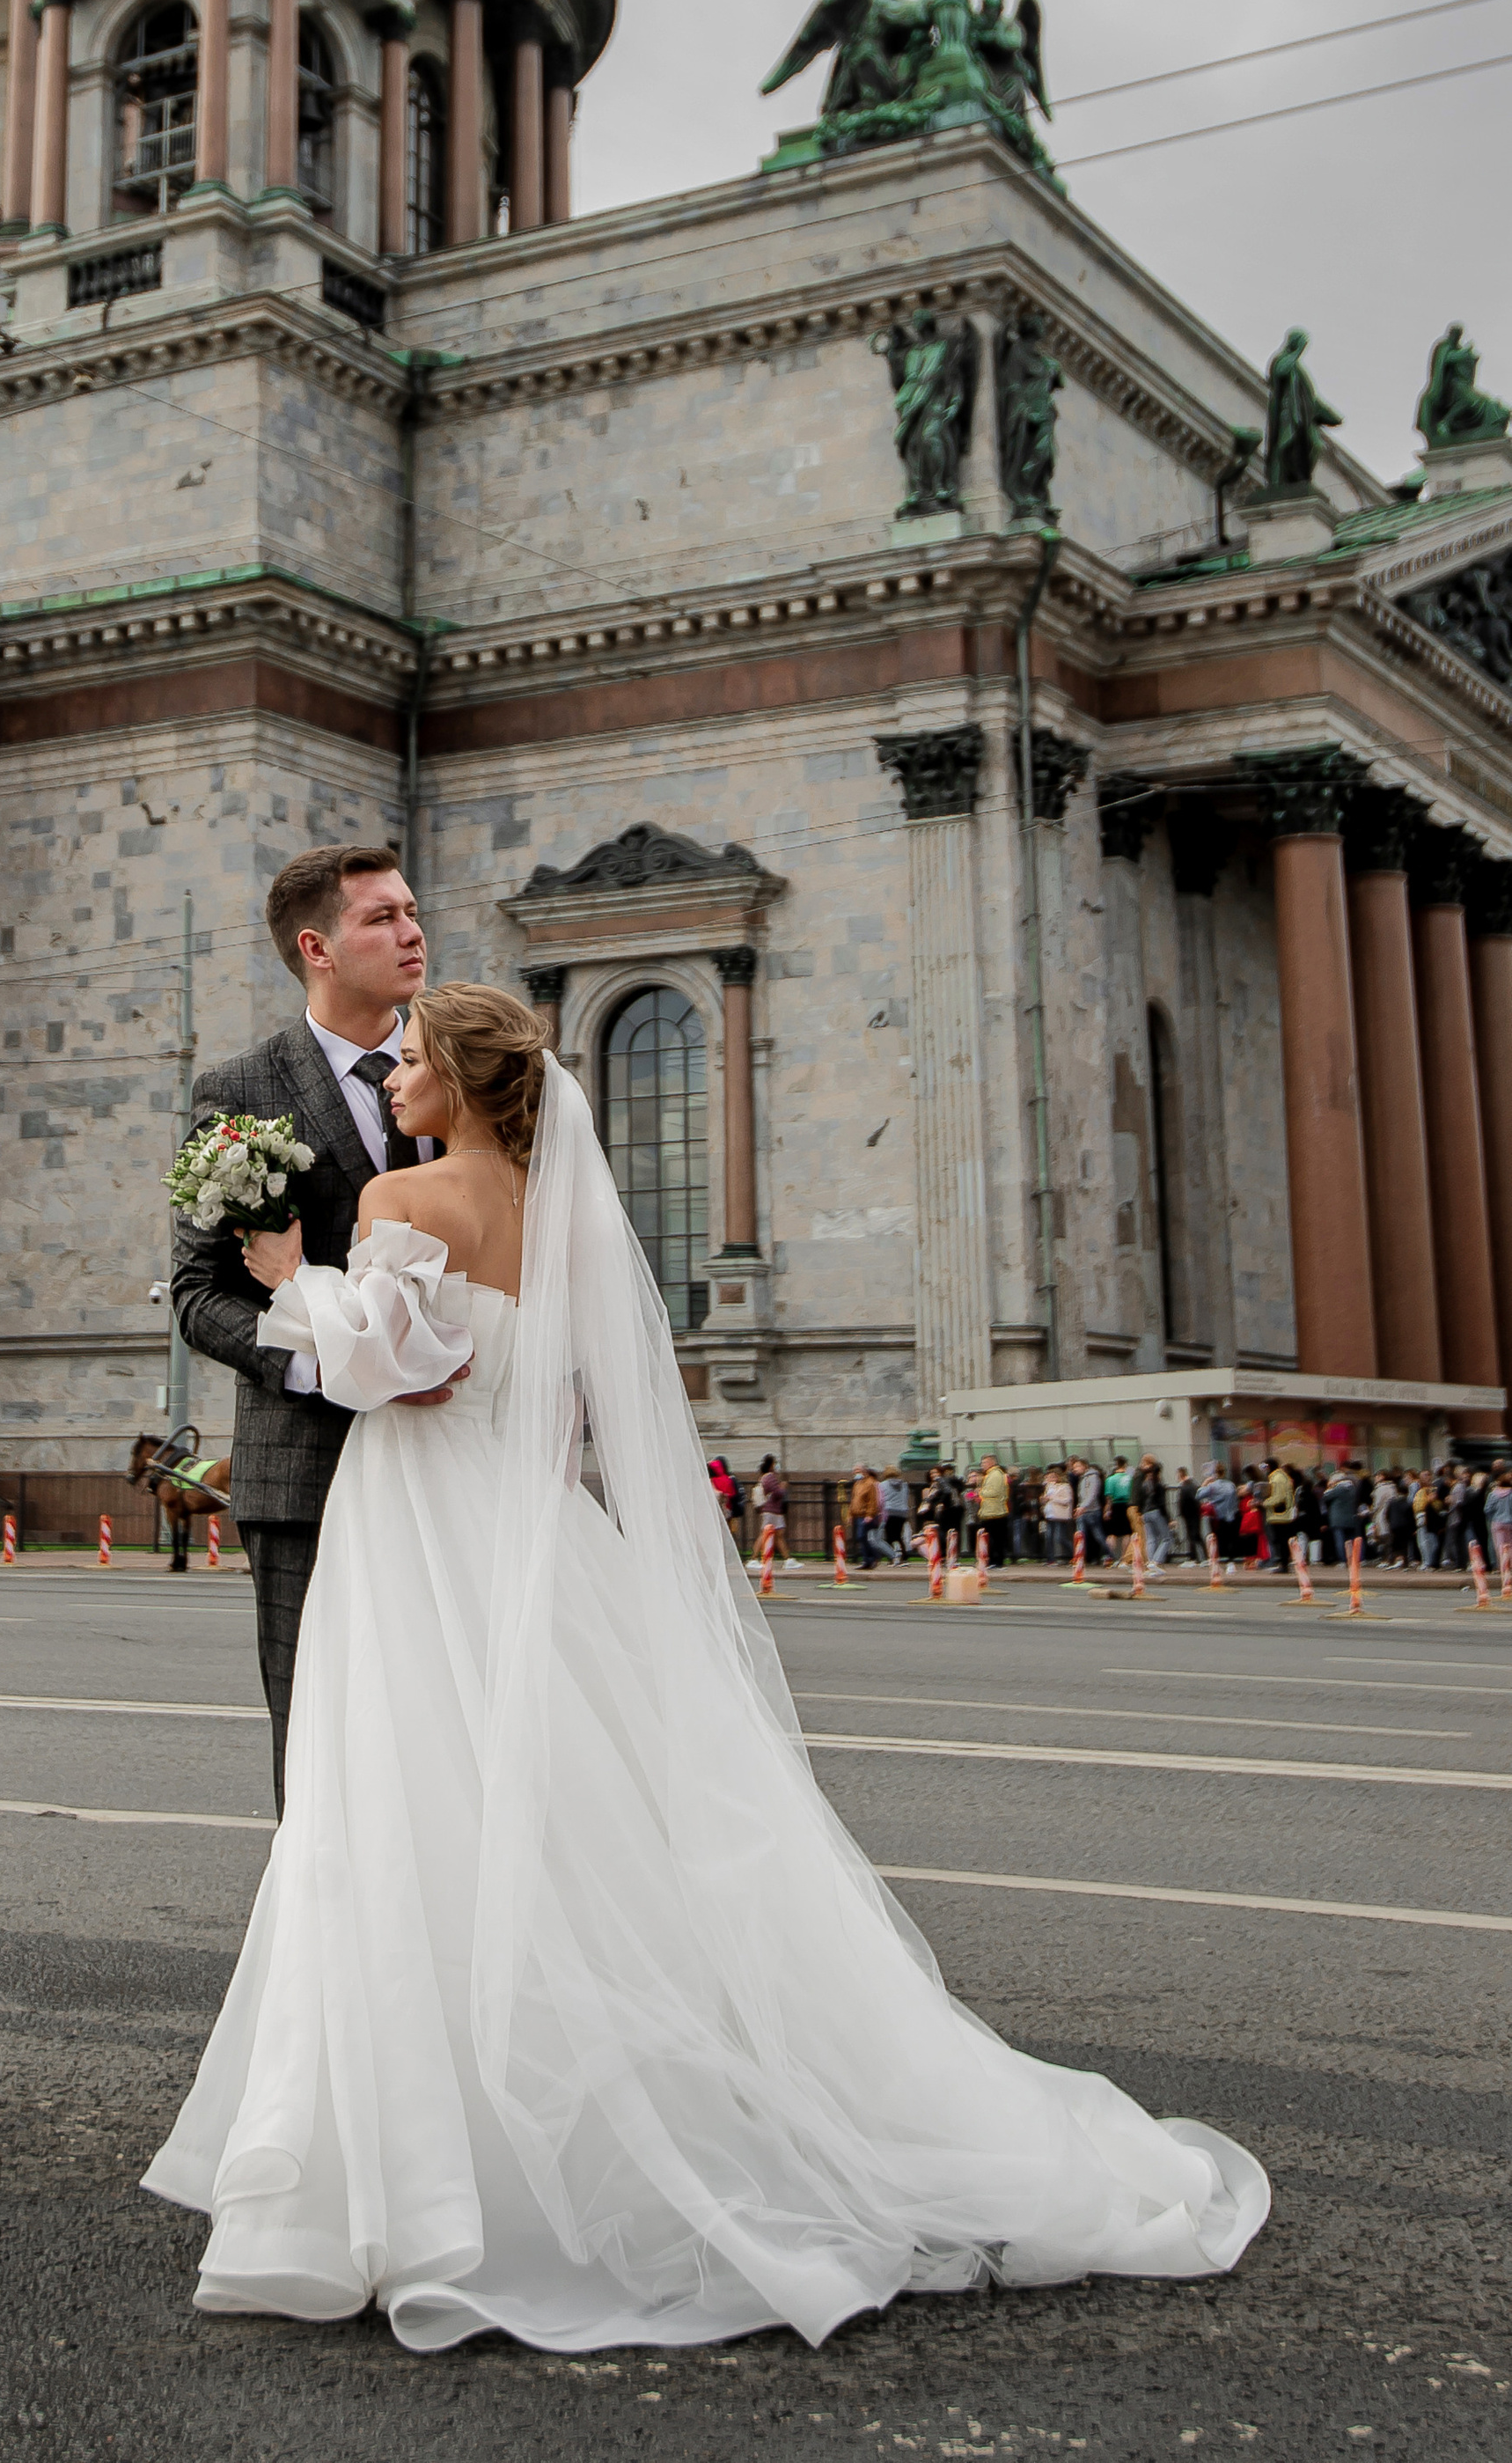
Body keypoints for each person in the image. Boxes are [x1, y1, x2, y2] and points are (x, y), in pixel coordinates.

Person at [145, 981, 1268, 2347]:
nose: (393, 1081)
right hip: (526, 1521)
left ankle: (416, 2163)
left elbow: (400, 1373)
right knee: (560, 1807)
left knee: (391, 1800)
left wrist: (289, 1283)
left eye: (416, 1064)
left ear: (464, 1080)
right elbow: (509, 1380)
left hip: (417, 1529)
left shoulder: (405, 1203)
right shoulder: (554, 1212)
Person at [174, 845, 443, 1812]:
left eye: (412, 910)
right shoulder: (240, 1089)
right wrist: (318, 1365)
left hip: (458, 1462)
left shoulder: (475, 1066)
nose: (413, 931)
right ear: (317, 946)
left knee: (457, 1730)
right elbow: (198, 1293)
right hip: (305, 1470)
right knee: (319, 1741)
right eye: (382, 917)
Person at [1041, 1462, 1074, 1566]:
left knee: (1060, 1538)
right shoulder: (1048, 1487)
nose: (1050, 1479)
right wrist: (1043, 1500)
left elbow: (1067, 1500)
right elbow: (1046, 1500)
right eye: (1049, 1477)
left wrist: (1052, 1498)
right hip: (1050, 1515)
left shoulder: (1065, 1486)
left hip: (1060, 1515)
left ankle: (1075, 1555)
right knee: (1048, 1537)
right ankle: (1050, 1559)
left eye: (1053, 1476)